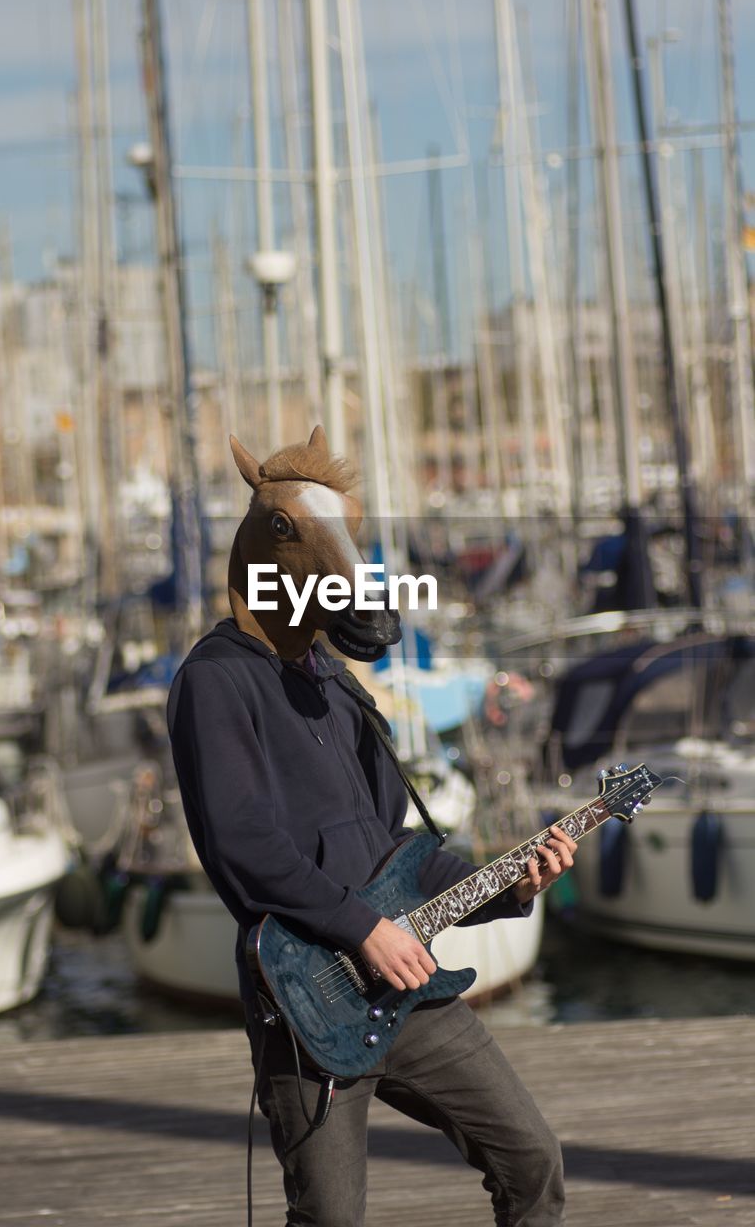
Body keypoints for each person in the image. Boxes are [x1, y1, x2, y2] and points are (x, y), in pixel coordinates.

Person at [167, 430, 577, 1227]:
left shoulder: (335, 680)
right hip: (306, 998)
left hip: (407, 989)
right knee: (329, 1218)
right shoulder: (213, 682)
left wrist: (512, 885)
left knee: (533, 1163)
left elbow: (398, 853)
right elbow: (243, 847)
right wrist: (361, 930)